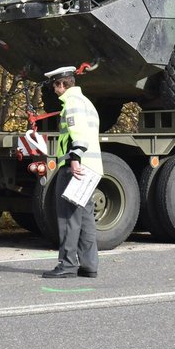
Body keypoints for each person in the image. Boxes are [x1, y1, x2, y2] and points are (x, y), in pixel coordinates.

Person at [41, 66, 102, 279]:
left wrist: (75, 160)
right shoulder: (87, 102)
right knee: (85, 218)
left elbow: (79, 134)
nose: (55, 91)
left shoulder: (72, 103)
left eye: (55, 86)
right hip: (91, 168)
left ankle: (67, 264)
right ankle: (89, 265)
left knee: (67, 217)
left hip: (74, 168)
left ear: (61, 84)